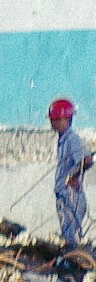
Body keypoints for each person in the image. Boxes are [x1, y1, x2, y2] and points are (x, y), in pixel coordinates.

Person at [55, 97, 89, 251]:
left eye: (57, 119)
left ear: (67, 119)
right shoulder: (63, 140)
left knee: (72, 239)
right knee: (67, 236)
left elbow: (87, 159)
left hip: (71, 195)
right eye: (53, 119)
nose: (53, 123)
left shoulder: (72, 139)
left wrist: (73, 176)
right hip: (63, 195)